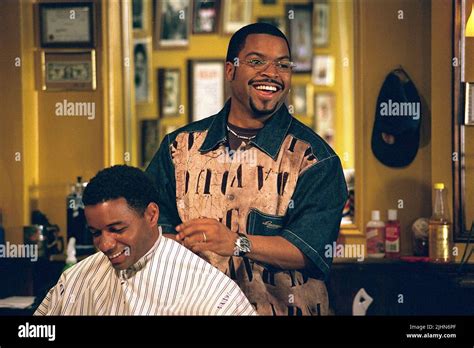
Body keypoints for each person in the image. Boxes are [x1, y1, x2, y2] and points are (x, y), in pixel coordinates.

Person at [146, 23, 348, 315]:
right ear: (230, 71)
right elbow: (151, 223)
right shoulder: (178, 147)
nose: (272, 73)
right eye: (256, 62)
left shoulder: (315, 160)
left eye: (282, 64)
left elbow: (308, 251)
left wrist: (236, 242)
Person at [34, 165, 255, 316]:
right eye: (96, 233)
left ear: (151, 215)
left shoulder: (210, 291)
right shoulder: (75, 280)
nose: (105, 245)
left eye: (117, 229)